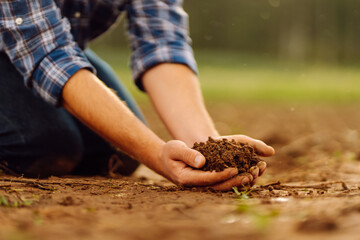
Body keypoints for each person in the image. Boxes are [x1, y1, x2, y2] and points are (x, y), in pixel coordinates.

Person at [0, 0, 274, 191]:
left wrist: (205, 146)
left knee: (116, 154)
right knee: (44, 146)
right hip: (31, 46)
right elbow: (49, 56)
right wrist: (155, 155)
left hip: (56, 47)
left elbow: (162, 44)